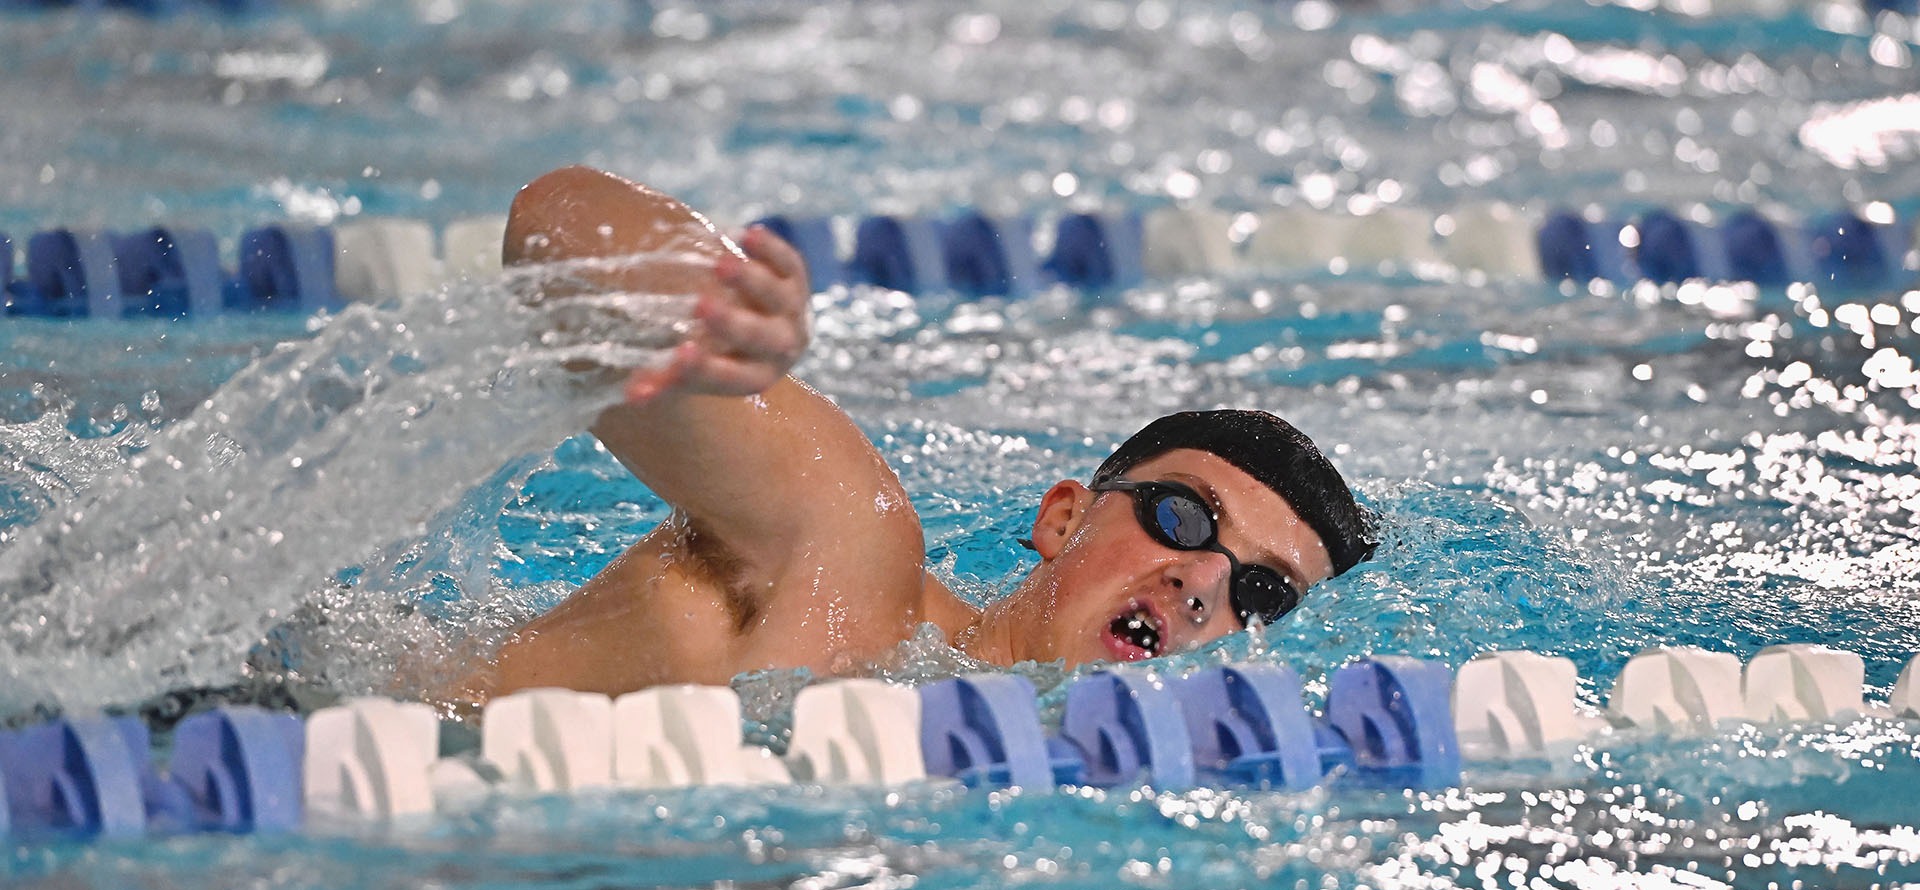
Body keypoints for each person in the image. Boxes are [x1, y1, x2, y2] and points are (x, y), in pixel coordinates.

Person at [464, 166, 1373, 702]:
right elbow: (556, 218)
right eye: (1181, 518)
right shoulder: (848, 557)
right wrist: (695, 306)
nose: (1202, 581)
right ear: (1062, 518)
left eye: (1261, 591)